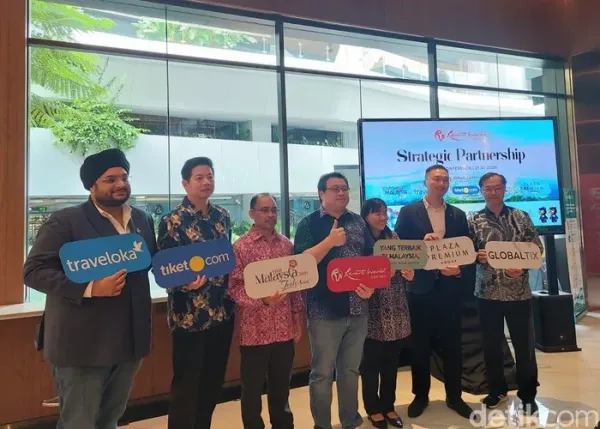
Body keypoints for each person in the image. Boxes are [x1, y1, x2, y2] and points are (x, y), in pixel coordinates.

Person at [23, 148, 157, 429]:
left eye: (124, 177)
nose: (120, 184)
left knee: (110, 419)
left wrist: (184, 274)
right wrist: (90, 288)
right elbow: (33, 272)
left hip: (130, 342)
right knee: (79, 423)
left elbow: (150, 263)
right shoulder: (66, 221)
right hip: (82, 345)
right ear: (91, 185)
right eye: (110, 179)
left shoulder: (142, 220)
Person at [294, 172, 375, 429]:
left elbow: (371, 258)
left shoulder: (358, 221)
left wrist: (371, 285)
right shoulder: (308, 224)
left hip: (358, 307)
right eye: (335, 188)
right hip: (324, 311)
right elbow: (301, 264)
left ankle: (350, 421)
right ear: (321, 193)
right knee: (322, 374)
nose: (341, 193)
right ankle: (322, 425)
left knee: (350, 371)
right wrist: (329, 242)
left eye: (344, 188)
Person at [157, 157, 234, 429]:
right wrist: (184, 283)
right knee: (187, 385)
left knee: (213, 381)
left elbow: (226, 260)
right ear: (185, 183)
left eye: (210, 176)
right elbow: (163, 269)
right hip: (188, 316)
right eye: (199, 177)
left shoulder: (222, 216)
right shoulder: (171, 221)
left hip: (221, 313)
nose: (206, 182)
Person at [394, 164, 474, 420]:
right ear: (426, 181)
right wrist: (421, 244)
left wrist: (459, 269)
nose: (441, 184)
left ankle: (455, 396)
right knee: (420, 345)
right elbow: (399, 248)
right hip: (421, 288)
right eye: (436, 179)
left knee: (453, 345)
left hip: (450, 290)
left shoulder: (458, 214)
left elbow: (467, 251)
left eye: (445, 180)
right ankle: (420, 396)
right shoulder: (409, 212)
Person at [228, 193, 305, 429]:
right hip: (254, 332)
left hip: (283, 330)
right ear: (251, 214)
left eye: (273, 210)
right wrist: (262, 300)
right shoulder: (240, 247)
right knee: (251, 391)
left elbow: (295, 286)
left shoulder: (286, 245)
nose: (270, 214)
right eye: (264, 210)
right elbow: (233, 288)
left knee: (281, 388)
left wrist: (297, 318)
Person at [469, 172, 543, 416]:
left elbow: (536, 248)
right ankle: (496, 390)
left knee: (524, 347)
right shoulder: (474, 219)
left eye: (497, 187)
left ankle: (528, 395)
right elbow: (466, 252)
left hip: (518, 292)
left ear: (504, 189)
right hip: (486, 293)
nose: (493, 192)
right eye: (488, 188)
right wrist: (477, 256)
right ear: (481, 191)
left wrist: (521, 267)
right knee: (491, 346)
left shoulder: (520, 216)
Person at [359, 198, 414, 429]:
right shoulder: (360, 241)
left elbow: (405, 266)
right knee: (371, 365)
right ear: (365, 215)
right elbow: (356, 273)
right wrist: (379, 274)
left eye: (384, 213)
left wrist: (409, 274)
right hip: (371, 309)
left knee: (391, 363)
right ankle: (373, 409)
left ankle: (389, 406)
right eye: (376, 213)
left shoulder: (394, 238)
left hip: (395, 308)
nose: (382, 218)